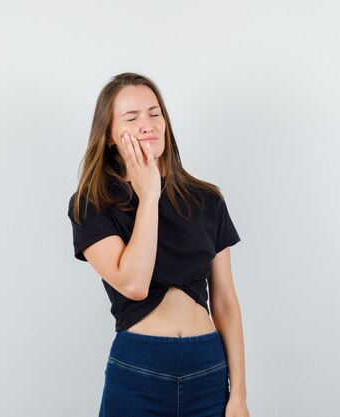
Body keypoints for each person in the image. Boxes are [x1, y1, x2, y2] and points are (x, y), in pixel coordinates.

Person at [67, 72, 250, 417]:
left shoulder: (206, 200)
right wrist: (149, 195)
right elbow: (134, 284)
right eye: (131, 118)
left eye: (154, 113)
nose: (147, 124)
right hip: (139, 370)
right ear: (108, 136)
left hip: (207, 368)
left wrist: (238, 395)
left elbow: (225, 302)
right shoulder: (91, 204)